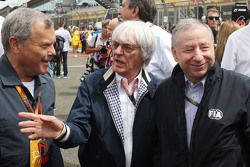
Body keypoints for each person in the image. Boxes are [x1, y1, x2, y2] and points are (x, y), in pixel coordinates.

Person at [18, 20, 159, 167]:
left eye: (127, 47)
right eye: (115, 44)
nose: (117, 52)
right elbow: (79, 126)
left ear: (144, 53)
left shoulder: (158, 89)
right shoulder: (93, 82)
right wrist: (62, 131)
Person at [154, 18, 250, 167]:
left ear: (214, 48)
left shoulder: (241, 88)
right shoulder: (163, 92)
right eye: (189, 49)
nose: (198, 57)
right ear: (175, 54)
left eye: (204, 48)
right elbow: (159, 147)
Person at [0, 8, 64, 167]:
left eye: (53, 44)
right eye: (45, 45)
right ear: (15, 44)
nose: (53, 52)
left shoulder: (47, 83)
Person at [119, 0, 176, 80]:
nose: (119, 12)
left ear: (135, 11)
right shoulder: (127, 36)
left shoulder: (160, 38)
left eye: (123, 6)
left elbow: (177, 76)